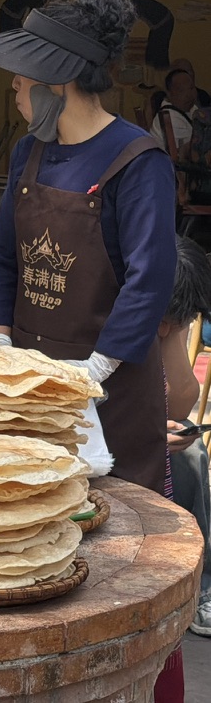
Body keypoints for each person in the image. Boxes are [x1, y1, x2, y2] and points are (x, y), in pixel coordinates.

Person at [0, 0, 178, 496]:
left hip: (110, 392)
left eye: (21, 73)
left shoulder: (137, 161)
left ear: (55, 81)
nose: (14, 85)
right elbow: (1, 257)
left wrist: (95, 370)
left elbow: (150, 280)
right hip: (31, 390)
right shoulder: (28, 153)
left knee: (115, 535)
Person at [158, 236, 211, 637]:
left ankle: (199, 582)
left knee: (192, 459)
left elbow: (181, 398)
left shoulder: (169, 325)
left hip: (146, 438)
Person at [150, 68, 200, 154]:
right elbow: (196, 150)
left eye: (191, 88)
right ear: (169, 94)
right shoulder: (169, 118)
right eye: (181, 90)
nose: (188, 94)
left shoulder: (191, 108)